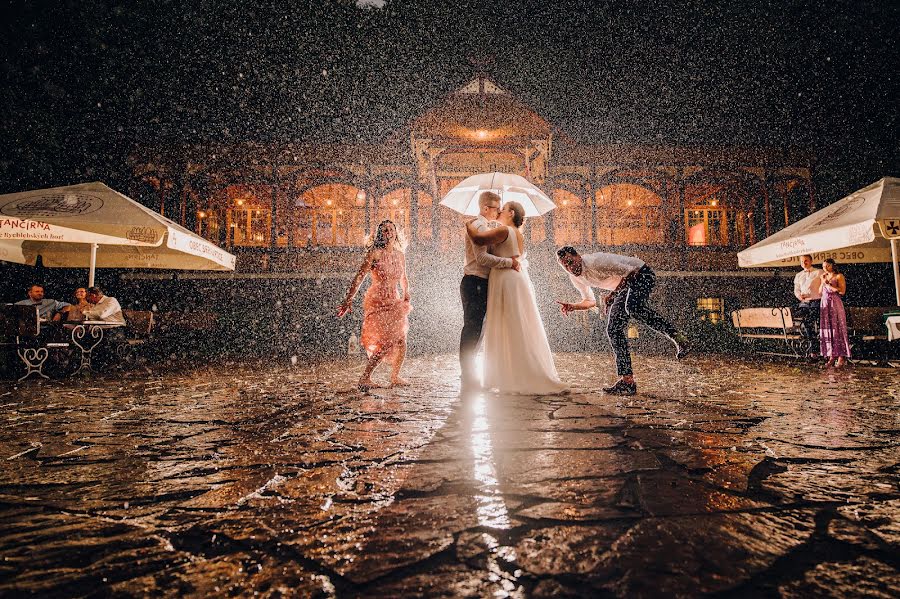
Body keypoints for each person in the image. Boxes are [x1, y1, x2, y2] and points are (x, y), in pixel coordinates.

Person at [465, 201, 568, 394]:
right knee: (516, 323)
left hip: (505, 278)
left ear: (511, 213)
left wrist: (468, 225)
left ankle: (513, 374)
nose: (500, 211)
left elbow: (478, 239)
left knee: (509, 324)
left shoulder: (505, 231)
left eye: (502, 209)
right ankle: (516, 371)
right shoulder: (517, 234)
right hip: (513, 278)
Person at [556, 247, 689, 396]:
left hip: (642, 273)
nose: (570, 268)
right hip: (624, 287)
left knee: (632, 308)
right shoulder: (575, 278)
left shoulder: (597, 261)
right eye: (565, 266)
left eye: (570, 262)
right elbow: (590, 301)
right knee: (613, 329)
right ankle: (627, 382)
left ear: (578, 256)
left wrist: (612, 295)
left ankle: (679, 337)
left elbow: (631, 272)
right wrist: (574, 306)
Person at [337, 220, 412, 391]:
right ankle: (365, 378)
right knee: (386, 342)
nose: (389, 233)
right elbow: (359, 277)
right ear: (380, 234)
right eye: (385, 230)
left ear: (396, 233)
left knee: (400, 339)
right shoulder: (374, 254)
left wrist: (407, 292)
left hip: (395, 299)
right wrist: (348, 299)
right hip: (378, 299)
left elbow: (404, 278)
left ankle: (394, 376)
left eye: (391, 230)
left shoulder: (400, 255)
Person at [458, 191, 520, 391]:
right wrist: (509, 262)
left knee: (479, 329)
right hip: (475, 280)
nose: (499, 212)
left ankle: (471, 371)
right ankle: (467, 374)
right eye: (496, 208)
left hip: (481, 282)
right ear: (486, 208)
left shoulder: (485, 226)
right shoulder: (477, 225)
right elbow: (482, 259)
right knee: (472, 328)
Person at [819, 258, 849, 367]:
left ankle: (841, 355)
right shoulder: (824, 277)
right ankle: (832, 355)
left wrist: (829, 284)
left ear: (832, 266)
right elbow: (819, 292)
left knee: (837, 328)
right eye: (823, 266)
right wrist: (823, 282)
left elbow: (842, 291)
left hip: (835, 303)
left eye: (827, 266)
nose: (825, 268)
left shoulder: (839, 276)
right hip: (825, 304)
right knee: (828, 329)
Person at [793, 254, 822, 349]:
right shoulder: (798, 275)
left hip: (816, 302)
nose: (804, 263)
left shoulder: (819, 272)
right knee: (804, 320)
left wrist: (814, 295)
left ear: (811, 261)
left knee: (809, 320)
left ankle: (814, 347)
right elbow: (796, 289)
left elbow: (824, 288)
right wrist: (799, 296)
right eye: (801, 261)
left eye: (806, 261)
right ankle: (812, 345)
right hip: (804, 303)